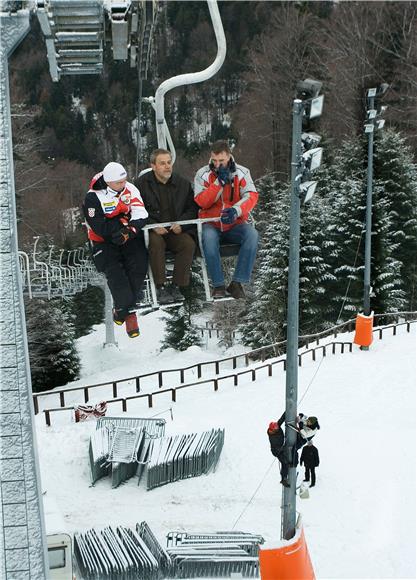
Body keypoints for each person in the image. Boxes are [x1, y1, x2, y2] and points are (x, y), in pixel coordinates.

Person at [83, 161, 148, 337]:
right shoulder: (93, 197)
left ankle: (121, 310)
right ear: (109, 182)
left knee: (139, 266)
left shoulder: (129, 189)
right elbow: (99, 227)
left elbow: (140, 212)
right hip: (103, 242)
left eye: (124, 181)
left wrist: (130, 229)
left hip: (128, 236)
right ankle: (127, 312)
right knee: (117, 275)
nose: (123, 185)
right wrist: (121, 222)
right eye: (119, 183)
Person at [194, 140, 259, 299]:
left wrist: (236, 210)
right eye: (214, 161)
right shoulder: (202, 174)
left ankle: (237, 283)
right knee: (208, 239)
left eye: (221, 161)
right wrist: (218, 184)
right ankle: (218, 285)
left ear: (229, 157)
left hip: (233, 223)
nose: (217, 165)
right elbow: (201, 201)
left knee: (252, 235)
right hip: (211, 223)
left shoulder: (242, 173)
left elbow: (251, 196)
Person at [136, 149, 199, 305]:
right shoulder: (140, 185)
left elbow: (192, 209)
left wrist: (182, 225)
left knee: (188, 243)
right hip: (153, 229)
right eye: (162, 163)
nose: (167, 166)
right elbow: (135, 210)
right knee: (156, 243)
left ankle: (176, 286)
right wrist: (152, 225)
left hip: (174, 229)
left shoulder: (183, 184)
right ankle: (160, 286)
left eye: (169, 162)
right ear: (153, 166)